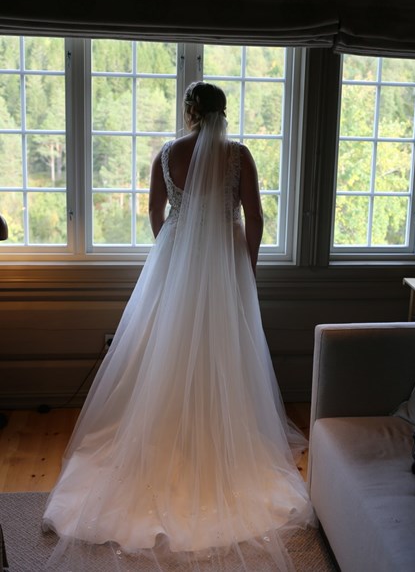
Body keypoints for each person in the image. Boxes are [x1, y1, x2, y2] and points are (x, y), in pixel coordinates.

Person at [42, 82, 316, 571]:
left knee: (166, 349)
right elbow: (254, 216)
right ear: (222, 112)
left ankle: (169, 436)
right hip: (226, 261)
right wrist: (247, 265)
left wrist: (176, 251)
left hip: (175, 261)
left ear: (190, 111)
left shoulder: (167, 155)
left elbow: (155, 211)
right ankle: (217, 438)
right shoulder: (239, 156)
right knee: (225, 349)